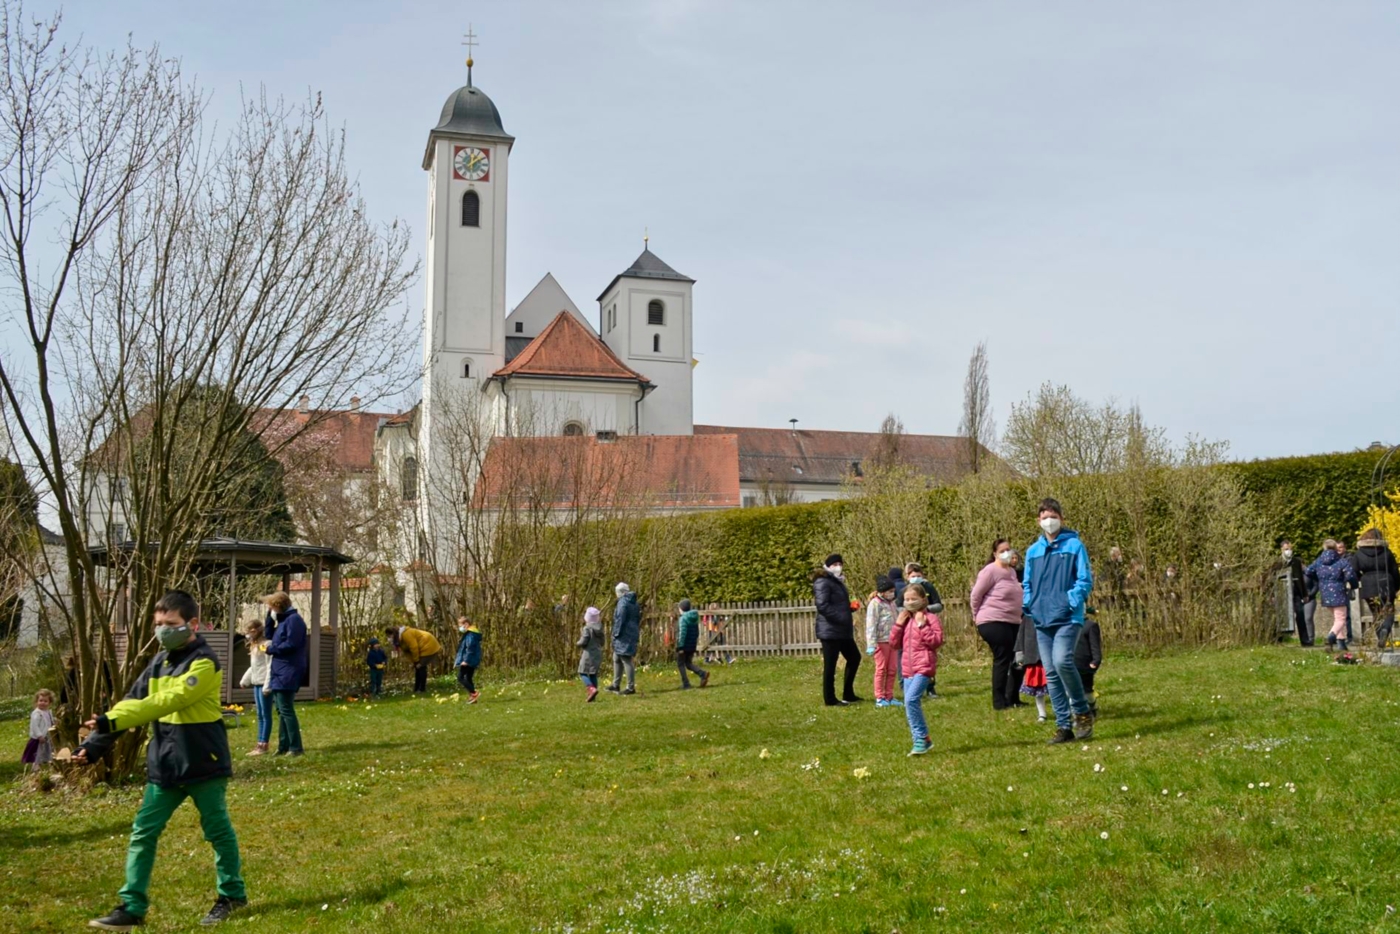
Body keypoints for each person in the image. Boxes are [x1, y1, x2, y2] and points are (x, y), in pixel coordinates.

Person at [75, 590, 246, 930]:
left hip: (203, 762)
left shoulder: (205, 662)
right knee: (143, 832)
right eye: (159, 624)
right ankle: (132, 908)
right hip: (165, 764)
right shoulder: (158, 662)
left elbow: (168, 700)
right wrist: (94, 744)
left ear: (192, 624)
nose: (163, 631)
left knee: (217, 831)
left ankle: (231, 895)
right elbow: (133, 700)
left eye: (170, 623)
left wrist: (110, 721)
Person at [1022, 497, 1095, 744]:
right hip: (1042, 618)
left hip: (1067, 617)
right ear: (1038, 520)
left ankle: (1082, 711)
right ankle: (1063, 725)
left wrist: (1071, 600)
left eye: (1053, 516)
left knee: (1062, 661)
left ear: (1061, 518)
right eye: (1044, 517)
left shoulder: (1074, 546)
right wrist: (1029, 603)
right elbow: (1027, 583)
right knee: (1051, 673)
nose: (1049, 521)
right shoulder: (1033, 551)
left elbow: (1084, 580)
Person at [889, 582, 944, 756]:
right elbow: (894, 644)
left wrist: (922, 625)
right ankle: (919, 741)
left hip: (924, 667)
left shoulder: (930, 618)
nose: (910, 602)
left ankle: (921, 737)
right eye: (907, 599)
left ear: (923, 599)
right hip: (907, 669)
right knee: (909, 705)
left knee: (911, 700)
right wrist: (898, 625)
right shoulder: (905, 620)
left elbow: (936, 641)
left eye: (914, 599)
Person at [970, 539, 1025, 710]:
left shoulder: (1012, 572)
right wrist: (976, 616)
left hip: (1013, 620)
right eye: (1002, 550)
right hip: (993, 620)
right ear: (995, 554)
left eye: (1009, 549)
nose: (1007, 553)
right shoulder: (990, 571)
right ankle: (999, 701)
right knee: (1003, 658)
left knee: (1018, 658)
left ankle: (1013, 697)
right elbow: (976, 595)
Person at [813, 554, 862, 706]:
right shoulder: (822, 581)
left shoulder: (838, 582)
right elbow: (822, 606)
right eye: (834, 564)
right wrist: (842, 617)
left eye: (840, 564)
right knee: (830, 665)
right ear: (828, 566)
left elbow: (838, 604)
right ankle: (830, 698)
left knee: (854, 658)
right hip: (830, 630)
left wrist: (849, 608)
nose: (838, 567)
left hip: (842, 630)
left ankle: (848, 693)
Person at [263, 592, 307, 757]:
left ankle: (296, 747)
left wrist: (271, 649)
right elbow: (269, 635)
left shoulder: (294, 621)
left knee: (286, 708)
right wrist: (269, 618)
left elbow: (291, 644)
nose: (272, 610)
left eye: (272, 607)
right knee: (281, 710)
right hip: (279, 669)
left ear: (279, 606)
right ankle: (283, 745)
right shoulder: (282, 621)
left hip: (289, 669)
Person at [1306, 540, 1357, 652]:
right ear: (1335, 548)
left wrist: (1320, 579)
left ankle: (1341, 644)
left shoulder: (1319, 561)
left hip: (1325, 592)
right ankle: (1331, 636)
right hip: (1339, 591)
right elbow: (1350, 575)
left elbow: (1308, 571)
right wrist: (1353, 585)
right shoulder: (1341, 561)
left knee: (1337, 618)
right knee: (1341, 619)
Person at [1355, 529, 1400, 649]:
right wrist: (1397, 586)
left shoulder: (1359, 553)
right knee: (1388, 610)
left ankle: (1380, 637)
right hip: (1386, 582)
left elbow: (1354, 570)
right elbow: (1394, 570)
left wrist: (1362, 578)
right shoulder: (1386, 552)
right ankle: (1385, 630)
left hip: (1368, 585)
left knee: (1376, 612)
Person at [904, 563, 944, 697]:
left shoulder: (928, 587)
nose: (915, 578)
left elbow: (939, 605)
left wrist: (925, 610)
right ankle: (910, 688)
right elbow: (898, 606)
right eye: (912, 576)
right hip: (911, 628)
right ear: (907, 577)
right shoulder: (906, 589)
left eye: (918, 575)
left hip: (925, 622)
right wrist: (908, 611)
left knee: (927, 659)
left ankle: (930, 688)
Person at [237, 619, 271, 756]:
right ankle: (259, 742)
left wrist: (267, 686)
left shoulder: (266, 645)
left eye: (249, 631)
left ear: (256, 631)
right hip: (256, 684)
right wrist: (245, 680)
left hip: (264, 684)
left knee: (265, 715)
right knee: (259, 715)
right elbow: (254, 666)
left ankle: (264, 744)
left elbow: (269, 666)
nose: (247, 635)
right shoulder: (255, 646)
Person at [865, 576, 901, 707]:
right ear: (882, 591)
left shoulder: (892, 603)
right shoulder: (875, 604)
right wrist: (871, 644)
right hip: (880, 641)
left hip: (892, 641)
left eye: (893, 591)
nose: (892, 593)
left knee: (892, 669)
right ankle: (880, 697)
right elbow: (871, 624)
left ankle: (889, 696)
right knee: (881, 669)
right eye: (890, 591)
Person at [386, 622, 443, 693]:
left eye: (390, 636)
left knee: (421, 667)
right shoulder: (400, 640)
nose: (389, 638)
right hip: (423, 647)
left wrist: (417, 661)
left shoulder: (406, 634)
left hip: (428, 645)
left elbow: (414, 647)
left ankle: (422, 689)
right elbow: (407, 652)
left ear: (394, 634)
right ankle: (417, 688)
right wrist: (414, 662)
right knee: (418, 667)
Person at [1277, 541, 1312, 645]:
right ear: (1281, 550)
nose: (1289, 551)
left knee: (1300, 614)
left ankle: (1305, 640)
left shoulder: (1296, 562)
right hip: (1282, 592)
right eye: (1286, 549)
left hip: (1295, 592)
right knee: (1282, 616)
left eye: (1290, 549)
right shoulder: (1277, 562)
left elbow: (1300, 578)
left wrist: (1304, 594)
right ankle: (1279, 639)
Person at [1015, 618, 1049, 721]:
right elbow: (1021, 635)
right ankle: (1042, 714)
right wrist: (1019, 655)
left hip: (1050, 658)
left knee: (1058, 687)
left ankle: (1065, 712)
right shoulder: (1028, 617)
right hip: (1033, 658)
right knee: (1037, 689)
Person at [608, 583, 640, 695]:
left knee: (626, 659)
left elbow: (620, 619)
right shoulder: (634, 602)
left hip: (624, 634)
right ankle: (615, 684)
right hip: (632, 632)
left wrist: (616, 633)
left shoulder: (623, 602)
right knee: (616, 657)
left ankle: (630, 687)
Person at [675, 599, 710, 689]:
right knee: (688, 663)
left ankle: (686, 684)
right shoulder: (694, 618)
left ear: (682, 609)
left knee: (680, 663)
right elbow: (697, 632)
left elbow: (682, 633)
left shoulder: (683, 619)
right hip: (692, 644)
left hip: (684, 645)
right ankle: (703, 674)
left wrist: (680, 646)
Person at [1075, 607, 1104, 716]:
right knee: (1071, 689)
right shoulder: (1067, 627)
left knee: (1087, 689)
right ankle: (1077, 712)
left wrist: (1096, 660)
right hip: (1071, 662)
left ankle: (1092, 706)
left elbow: (1095, 646)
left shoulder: (1090, 626)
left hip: (1085, 664)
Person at [22, 688, 55, 772]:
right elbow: (34, 726)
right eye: (40, 701)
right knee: (37, 753)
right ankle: (36, 767)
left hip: (47, 736)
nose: (42, 703)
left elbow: (50, 721)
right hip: (39, 738)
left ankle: (50, 764)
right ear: (36, 701)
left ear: (50, 703)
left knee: (47, 751)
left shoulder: (48, 712)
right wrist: (39, 735)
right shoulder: (37, 713)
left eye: (45, 701)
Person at [577, 606, 604, 702]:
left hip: (588, 653)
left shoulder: (587, 628)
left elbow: (584, 640)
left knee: (582, 672)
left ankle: (591, 688)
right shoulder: (600, 628)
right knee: (593, 674)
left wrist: (578, 643)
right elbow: (602, 641)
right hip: (597, 652)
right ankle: (593, 697)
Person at [454, 617, 482, 702]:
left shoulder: (470, 635)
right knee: (468, 678)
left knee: (460, 677)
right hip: (472, 659)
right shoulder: (472, 633)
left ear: (466, 624)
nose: (460, 628)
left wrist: (466, 660)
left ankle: (474, 693)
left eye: (460, 625)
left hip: (469, 659)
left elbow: (470, 648)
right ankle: (473, 698)